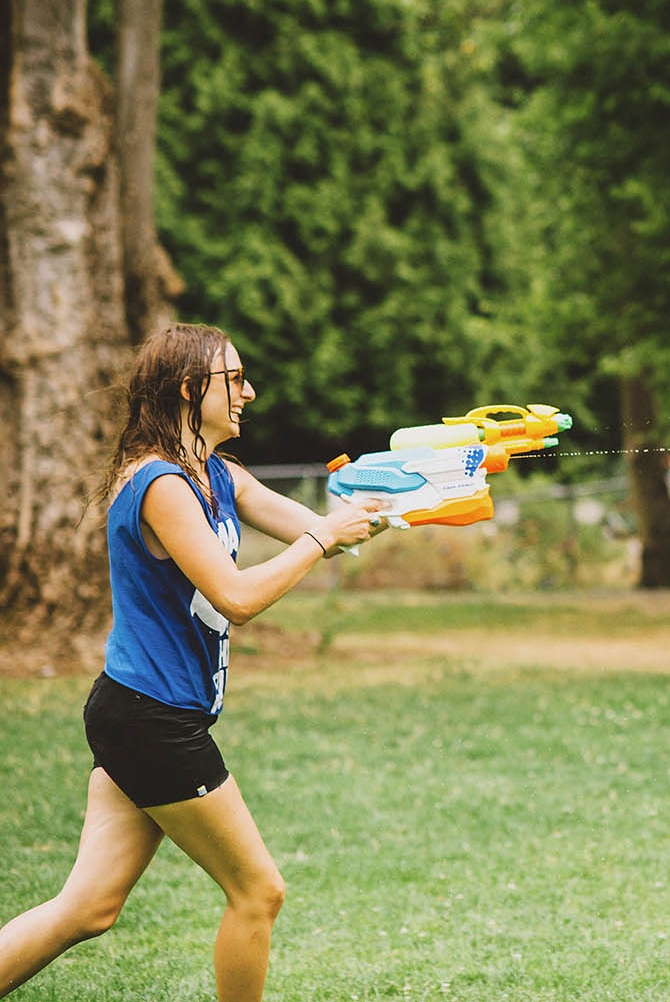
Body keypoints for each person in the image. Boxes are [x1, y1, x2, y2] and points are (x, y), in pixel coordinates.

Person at [0, 324, 385, 1002]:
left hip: (137, 715)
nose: (250, 392)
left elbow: (317, 527)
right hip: (153, 722)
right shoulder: (160, 485)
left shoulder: (218, 476)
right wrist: (326, 535)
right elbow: (237, 596)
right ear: (189, 389)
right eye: (235, 379)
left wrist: (400, 500)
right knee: (258, 890)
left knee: (87, 908)